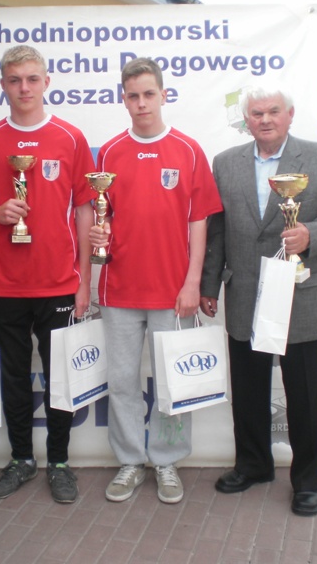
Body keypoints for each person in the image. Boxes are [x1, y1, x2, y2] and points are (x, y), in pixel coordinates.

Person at [201, 86, 317, 516]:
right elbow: (217, 229)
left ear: (290, 115)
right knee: (248, 391)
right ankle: (253, 465)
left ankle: (308, 481)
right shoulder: (225, 163)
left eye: (273, 111)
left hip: (302, 294)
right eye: (256, 113)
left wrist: (311, 235)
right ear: (246, 120)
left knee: (306, 395)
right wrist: (209, 284)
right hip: (246, 293)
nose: (265, 119)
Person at [89, 57, 222, 504]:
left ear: (164, 95)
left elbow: (199, 223)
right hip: (119, 290)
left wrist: (192, 283)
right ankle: (130, 460)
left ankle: (166, 460)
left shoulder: (188, 150)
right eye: (133, 95)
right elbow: (102, 215)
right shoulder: (109, 153)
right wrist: (99, 234)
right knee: (122, 381)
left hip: (173, 293)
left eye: (149, 94)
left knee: (172, 383)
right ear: (123, 99)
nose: (141, 103)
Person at [0, 45, 94, 504]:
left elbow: (84, 211)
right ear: (2, 84)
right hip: (5, 285)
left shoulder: (70, 138)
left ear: (46, 82)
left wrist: (84, 281)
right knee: (14, 376)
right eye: (14, 79)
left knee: (61, 377)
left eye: (32, 78)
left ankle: (59, 461)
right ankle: (21, 458)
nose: (24, 88)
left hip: (60, 282)